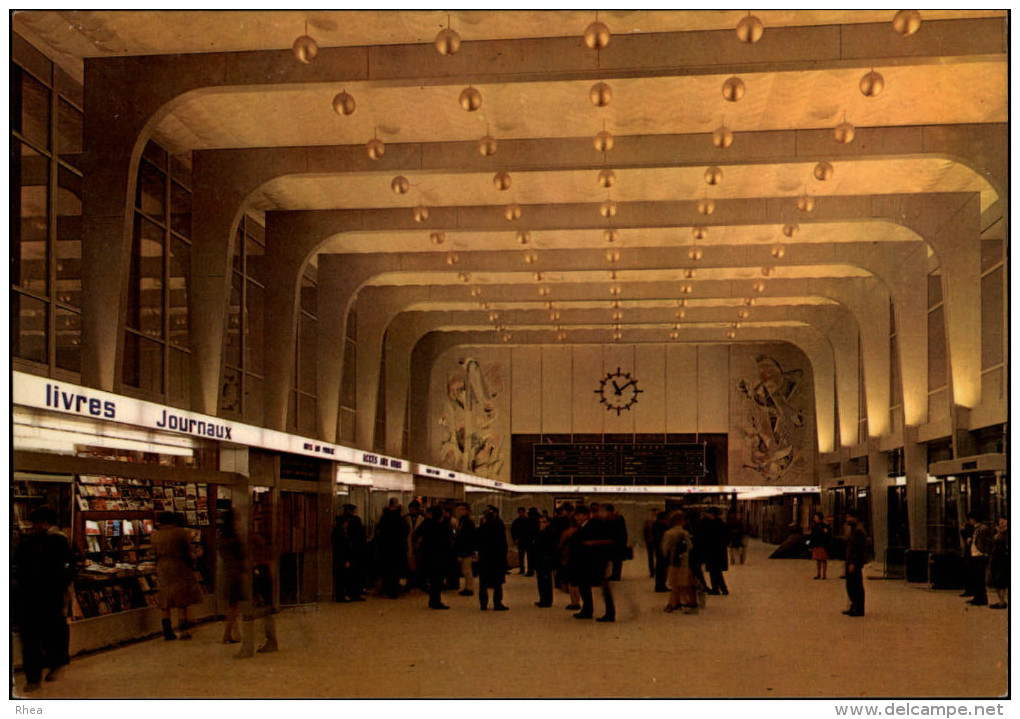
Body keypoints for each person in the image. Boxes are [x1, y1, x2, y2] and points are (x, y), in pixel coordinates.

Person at [14, 506, 75, 693]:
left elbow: (17, 569)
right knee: (51, 634)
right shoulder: (60, 542)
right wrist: (63, 588)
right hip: (51, 597)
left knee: (30, 640)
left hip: (28, 598)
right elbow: (69, 568)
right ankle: (53, 664)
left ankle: (33, 678)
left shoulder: (26, 543)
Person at [152, 512, 203, 640]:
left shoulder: (155, 535)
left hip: (162, 566)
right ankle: (183, 630)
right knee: (181, 599)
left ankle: (167, 631)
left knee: (165, 600)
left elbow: (154, 554)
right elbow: (186, 551)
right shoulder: (180, 533)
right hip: (178, 565)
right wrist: (192, 564)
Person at [567, 504, 615, 622]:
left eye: (578, 515)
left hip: (593, 562)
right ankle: (588, 610)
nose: (576, 518)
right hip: (588, 562)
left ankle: (605, 612)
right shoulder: (585, 526)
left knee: (598, 587)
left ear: (585, 515)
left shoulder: (593, 525)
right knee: (585, 586)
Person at [661, 510, 697, 614]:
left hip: (674, 561)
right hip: (685, 561)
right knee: (686, 581)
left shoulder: (668, 533)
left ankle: (673, 603)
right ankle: (690, 601)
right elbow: (690, 546)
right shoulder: (685, 533)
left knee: (675, 583)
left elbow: (664, 548)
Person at [419, 505, 454, 609]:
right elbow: (448, 542)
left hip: (428, 555)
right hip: (439, 556)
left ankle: (432, 600)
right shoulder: (442, 527)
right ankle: (436, 601)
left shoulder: (426, 524)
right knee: (437, 580)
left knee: (433, 579)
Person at [218, 510, 245, 643]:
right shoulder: (235, 538)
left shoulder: (221, 538)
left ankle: (234, 632)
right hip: (235, 573)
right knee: (233, 606)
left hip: (226, 571)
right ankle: (228, 634)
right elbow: (242, 555)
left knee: (231, 605)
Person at [475, 506, 509, 610]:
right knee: (497, 583)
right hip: (497, 559)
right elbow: (504, 544)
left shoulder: (481, 529)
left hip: (484, 558)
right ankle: (497, 603)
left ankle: (483, 604)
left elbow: (477, 543)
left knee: (483, 583)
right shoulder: (499, 528)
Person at [374, 498, 409, 598]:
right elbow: (406, 531)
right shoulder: (401, 519)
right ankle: (394, 591)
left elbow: (379, 532)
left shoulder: (384, 518)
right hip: (398, 549)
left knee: (387, 571)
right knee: (396, 571)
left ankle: (387, 589)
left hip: (386, 549)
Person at [843, 510, 868, 617]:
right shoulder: (853, 530)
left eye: (849, 517)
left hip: (855, 562)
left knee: (856, 585)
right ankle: (854, 606)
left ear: (855, 518)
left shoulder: (859, 531)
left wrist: (853, 562)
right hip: (851, 561)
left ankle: (859, 609)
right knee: (851, 585)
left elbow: (858, 549)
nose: (847, 520)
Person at [963, 513, 992, 606]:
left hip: (979, 554)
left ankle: (981, 598)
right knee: (975, 578)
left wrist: (985, 552)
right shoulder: (975, 528)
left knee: (979, 578)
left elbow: (987, 541)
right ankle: (977, 597)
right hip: (975, 554)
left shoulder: (982, 528)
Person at [701, 507, 730, 595]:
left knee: (714, 571)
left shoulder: (710, 524)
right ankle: (720, 588)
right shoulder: (721, 524)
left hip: (712, 551)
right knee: (716, 571)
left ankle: (718, 588)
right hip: (719, 551)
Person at [341, 504, 367, 601]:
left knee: (349, 575)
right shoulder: (356, 520)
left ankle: (349, 593)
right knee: (356, 574)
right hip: (357, 551)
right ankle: (355, 593)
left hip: (351, 552)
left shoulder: (344, 522)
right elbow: (362, 535)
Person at [533, 514, 559, 607]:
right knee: (541, 580)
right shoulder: (540, 532)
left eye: (543, 522)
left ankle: (546, 600)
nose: (541, 524)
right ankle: (543, 598)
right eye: (540, 522)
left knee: (546, 580)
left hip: (546, 559)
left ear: (548, 522)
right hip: (540, 559)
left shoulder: (550, 533)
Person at [452, 503, 477, 596]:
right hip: (464, 549)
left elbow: (468, 537)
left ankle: (469, 588)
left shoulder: (467, 523)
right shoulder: (461, 521)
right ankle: (467, 587)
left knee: (467, 570)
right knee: (465, 570)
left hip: (466, 549)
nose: (460, 511)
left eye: (462, 509)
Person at [987, 517, 1008, 609]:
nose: (1001, 523)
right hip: (997, 559)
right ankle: (1001, 600)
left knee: (1002, 581)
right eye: (1000, 521)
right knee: (999, 581)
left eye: (1003, 520)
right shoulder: (998, 533)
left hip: (1004, 559)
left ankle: (1002, 601)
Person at [604, 503, 629, 581]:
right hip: (618, 542)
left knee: (616, 560)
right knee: (616, 560)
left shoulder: (615, 518)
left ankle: (616, 575)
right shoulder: (618, 518)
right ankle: (616, 574)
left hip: (615, 542)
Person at [405, 499, 426, 590]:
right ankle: (410, 582)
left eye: (413, 509)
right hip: (409, 543)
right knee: (410, 564)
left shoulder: (423, 519)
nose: (411, 511)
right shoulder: (406, 518)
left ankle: (420, 582)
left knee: (420, 563)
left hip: (419, 543)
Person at [809, 511, 831, 580]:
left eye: (816, 517)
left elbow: (828, 536)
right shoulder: (815, 527)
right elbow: (812, 537)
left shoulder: (824, 526)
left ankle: (823, 574)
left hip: (822, 545)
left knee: (823, 559)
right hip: (817, 545)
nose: (814, 519)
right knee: (818, 560)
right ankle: (819, 573)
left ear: (819, 518)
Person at [510, 507, 532, 575]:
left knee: (527, 556)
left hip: (526, 540)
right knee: (521, 555)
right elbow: (513, 530)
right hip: (521, 540)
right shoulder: (518, 521)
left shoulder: (527, 520)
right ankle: (522, 568)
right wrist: (515, 538)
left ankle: (528, 569)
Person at [652, 510, 670, 593]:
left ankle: (661, 584)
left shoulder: (657, 526)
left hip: (660, 549)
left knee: (661, 567)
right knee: (661, 568)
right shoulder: (660, 527)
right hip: (661, 549)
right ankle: (660, 585)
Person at [643, 508, 659, 578]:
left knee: (655, 556)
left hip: (654, 541)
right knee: (651, 557)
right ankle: (652, 571)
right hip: (650, 541)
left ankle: (654, 571)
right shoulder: (649, 521)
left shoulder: (652, 521)